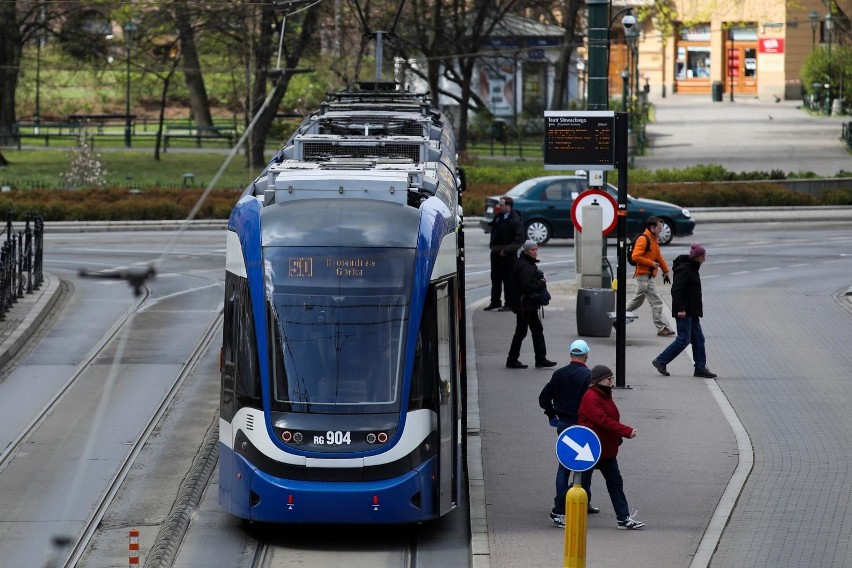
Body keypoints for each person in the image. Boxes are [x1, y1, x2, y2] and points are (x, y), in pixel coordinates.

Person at [539, 339, 599, 528]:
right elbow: (591, 403)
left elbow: (543, 397)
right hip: (582, 425)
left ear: (570, 354)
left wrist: (551, 414)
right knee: (586, 464)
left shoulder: (559, 374)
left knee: (564, 466)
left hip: (563, 424)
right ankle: (582, 500)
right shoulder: (588, 376)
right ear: (586, 354)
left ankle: (561, 504)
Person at [578, 365, 645, 530]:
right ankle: (560, 511)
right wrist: (626, 431)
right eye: (609, 378)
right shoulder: (591, 397)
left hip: (606, 450)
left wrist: (617, 437)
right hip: (591, 450)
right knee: (580, 485)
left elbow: (609, 419)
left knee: (615, 483)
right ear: (599, 381)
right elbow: (602, 420)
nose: (612, 381)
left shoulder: (604, 394)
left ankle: (623, 518)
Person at [652, 243, 717, 378]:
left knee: (699, 339)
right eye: (703, 257)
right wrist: (680, 309)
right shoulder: (685, 269)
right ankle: (661, 360)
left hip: (692, 312)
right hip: (684, 312)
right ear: (697, 257)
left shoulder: (692, 268)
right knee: (683, 340)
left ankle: (700, 367)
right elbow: (676, 290)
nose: (704, 260)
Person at [506, 240, 556, 369]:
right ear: (526, 251)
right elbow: (527, 286)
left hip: (528, 305)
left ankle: (540, 359)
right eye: (532, 250)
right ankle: (513, 359)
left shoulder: (526, 263)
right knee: (522, 332)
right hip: (525, 306)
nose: (534, 252)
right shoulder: (524, 266)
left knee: (535, 330)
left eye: (536, 249)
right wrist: (542, 283)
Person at [627, 216, 675, 336]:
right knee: (657, 301)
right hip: (644, 275)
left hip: (647, 275)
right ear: (652, 227)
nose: (661, 230)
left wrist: (665, 271)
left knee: (636, 301)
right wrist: (651, 263)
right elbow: (635, 257)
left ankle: (618, 318)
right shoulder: (644, 239)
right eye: (659, 228)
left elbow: (658, 256)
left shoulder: (654, 239)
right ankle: (661, 328)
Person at [485, 196, 525, 311]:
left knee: (509, 280)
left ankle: (510, 304)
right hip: (496, 253)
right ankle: (495, 301)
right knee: (495, 278)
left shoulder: (515, 219)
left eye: (501, 205)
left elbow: (519, 239)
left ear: (508, 206)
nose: (499, 206)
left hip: (508, 256)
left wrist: (506, 250)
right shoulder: (499, 217)